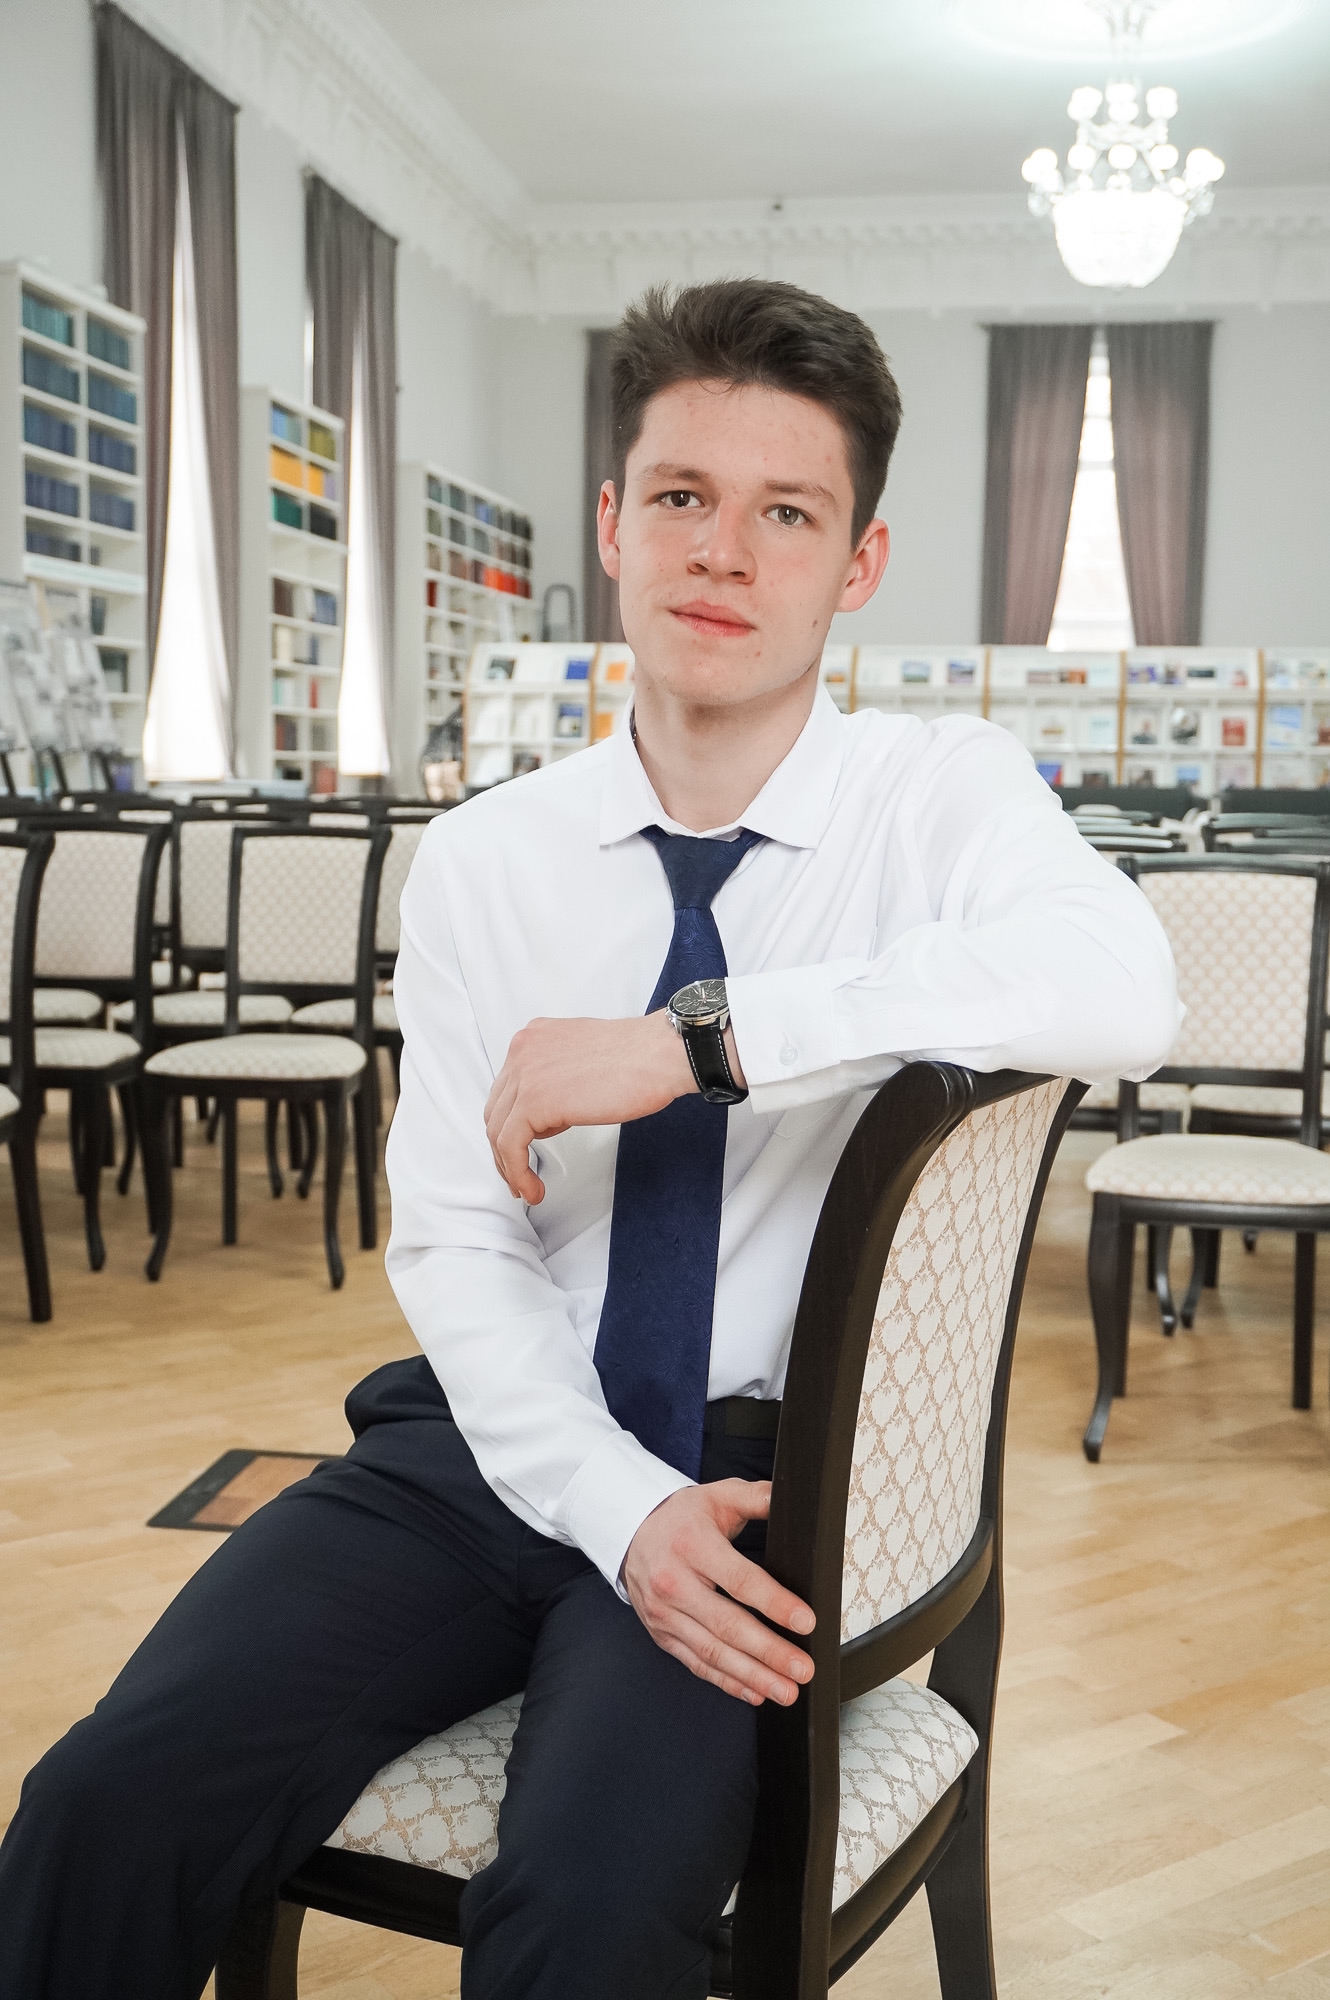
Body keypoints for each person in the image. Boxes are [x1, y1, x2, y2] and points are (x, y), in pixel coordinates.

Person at [0, 278, 1179, 2000]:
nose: (724, 553)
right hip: (489, 1434)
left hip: (762, 1474)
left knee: (586, 1910)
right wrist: (615, 1505)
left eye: (787, 514)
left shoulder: (934, 794)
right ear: (615, 524)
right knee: (101, 1804)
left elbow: (1125, 988)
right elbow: (454, 1237)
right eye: (683, 497)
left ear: (856, 564)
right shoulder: (488, 856)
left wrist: (703, 1040)